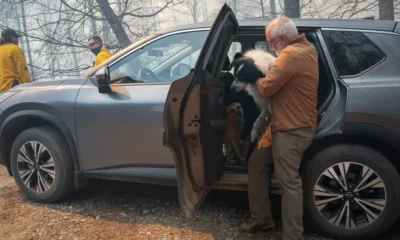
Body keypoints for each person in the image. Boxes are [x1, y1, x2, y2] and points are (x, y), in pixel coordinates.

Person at [240, 16, 319, 240]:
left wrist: (252, 77)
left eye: (270, 42)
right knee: (257, 164)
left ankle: (293, 235)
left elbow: (266, 88)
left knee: (289, 183)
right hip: (283, 124)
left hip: (291, 129)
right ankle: (262, 218)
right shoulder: (307, 49)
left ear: (282, 38)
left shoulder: (290, 54)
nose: (270, 47)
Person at [0, 28, 31, 92]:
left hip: (2, 91)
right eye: (16, 38)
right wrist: (29, 86)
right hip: (13, 87)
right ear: (11, 38)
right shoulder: (15, 49)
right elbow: (22, 68)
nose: (17, 40)